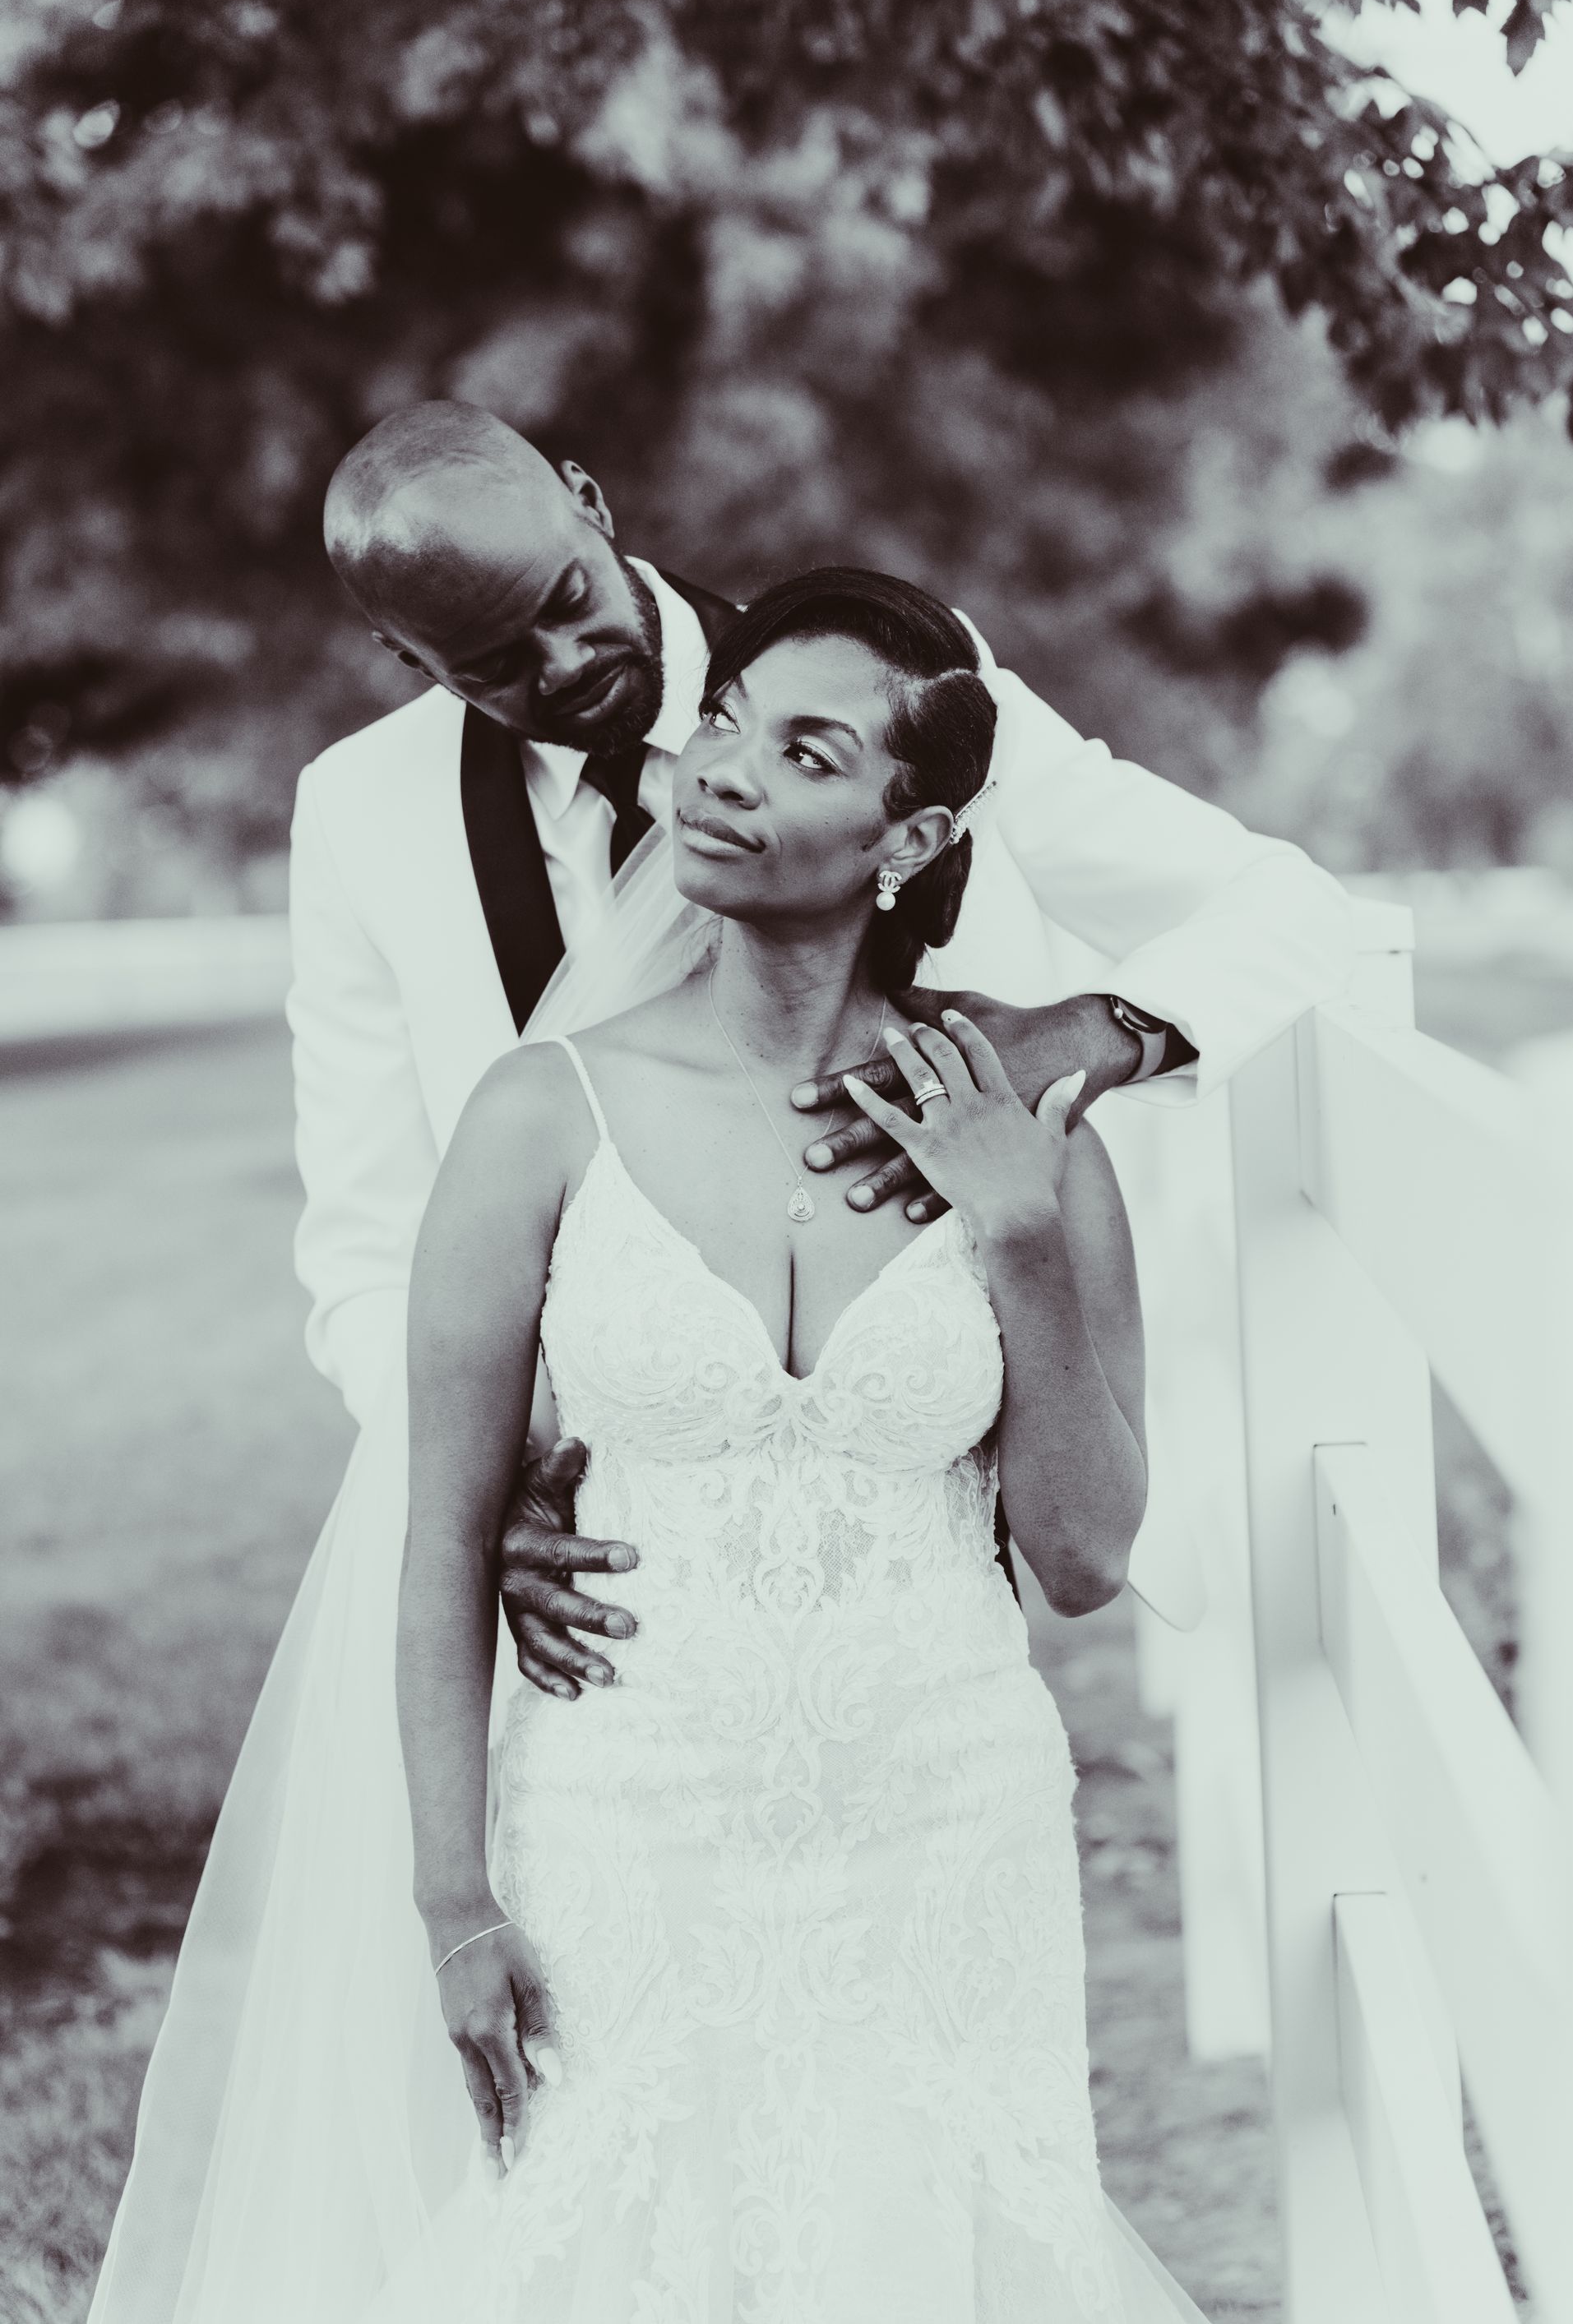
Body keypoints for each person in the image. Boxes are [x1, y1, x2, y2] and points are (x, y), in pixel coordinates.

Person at [384, 566, 1201, 2318]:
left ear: (905, 843)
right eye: (729, 724)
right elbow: (445, 1540)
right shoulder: (543, 1118)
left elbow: (1081, 1561)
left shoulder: (1026, 1135)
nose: (725, 772)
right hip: (626, 1840)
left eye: (807, 750)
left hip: (948, 1839)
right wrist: (454, 1902)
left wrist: (1023, 1235)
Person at [292, 399, 1353, 1691]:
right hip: (589, 1582)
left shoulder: (896, 672)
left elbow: (1292, 908)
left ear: (589, 496)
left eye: (568, 598)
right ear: (407, 658)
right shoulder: (358, 812)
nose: (563, 664)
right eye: (491, 662)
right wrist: (479, 1489)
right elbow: (362, 1234)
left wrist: (1082, 1034)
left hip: (917, 1536)